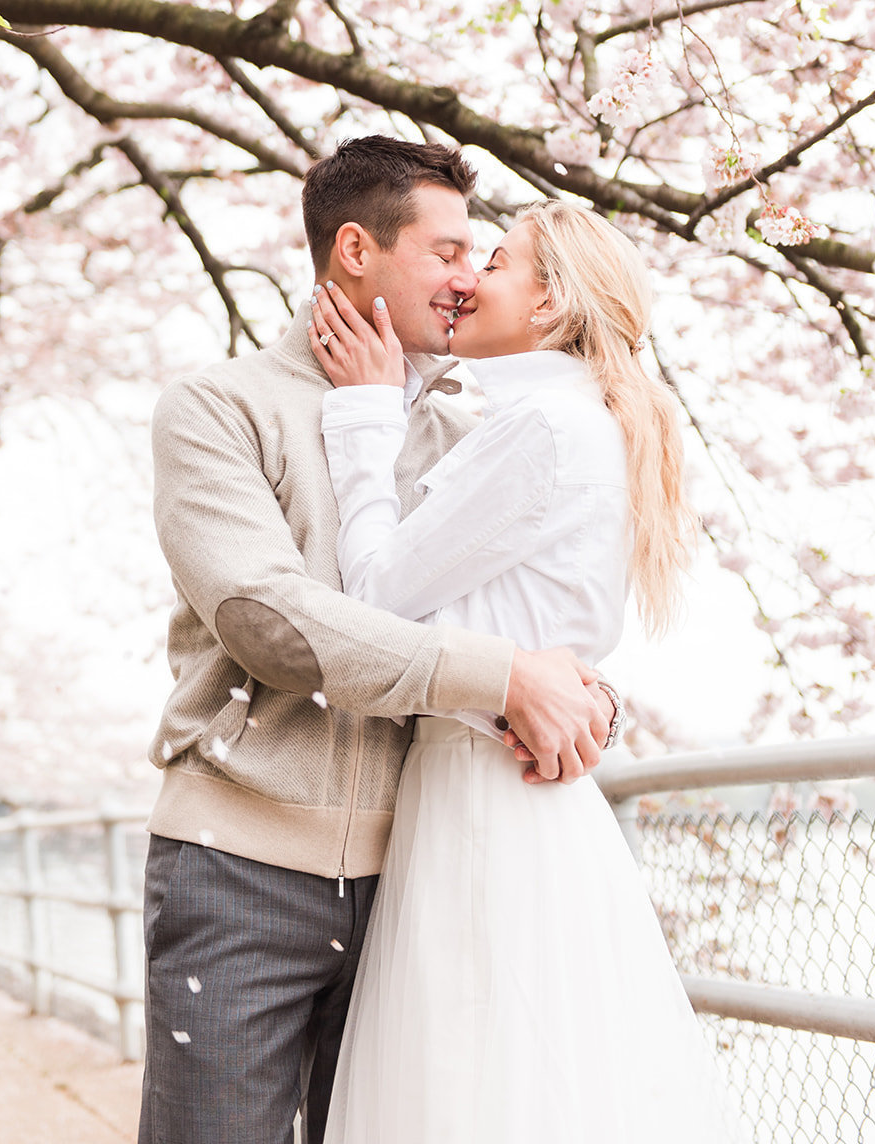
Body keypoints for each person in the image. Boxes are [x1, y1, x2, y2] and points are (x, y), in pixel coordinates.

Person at [138, 138, 620, 1144]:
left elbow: (522, 611)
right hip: (241, 869)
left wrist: (584, 696)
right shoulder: (220, 409)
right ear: (356, 250)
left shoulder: (471, 433)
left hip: (420, 877)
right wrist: (503, 678)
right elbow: (270, 619)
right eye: (447, 253)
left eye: (479, 259)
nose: (463, 280)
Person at [310, 201, 746, 1144]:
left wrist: (359, 416)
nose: (470, 279)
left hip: (481, 792)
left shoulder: (544, 427)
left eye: (498, 264)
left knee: (468, 1075)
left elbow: (378, 594)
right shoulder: (570, 420)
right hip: (515, 790)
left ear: (550, 305)